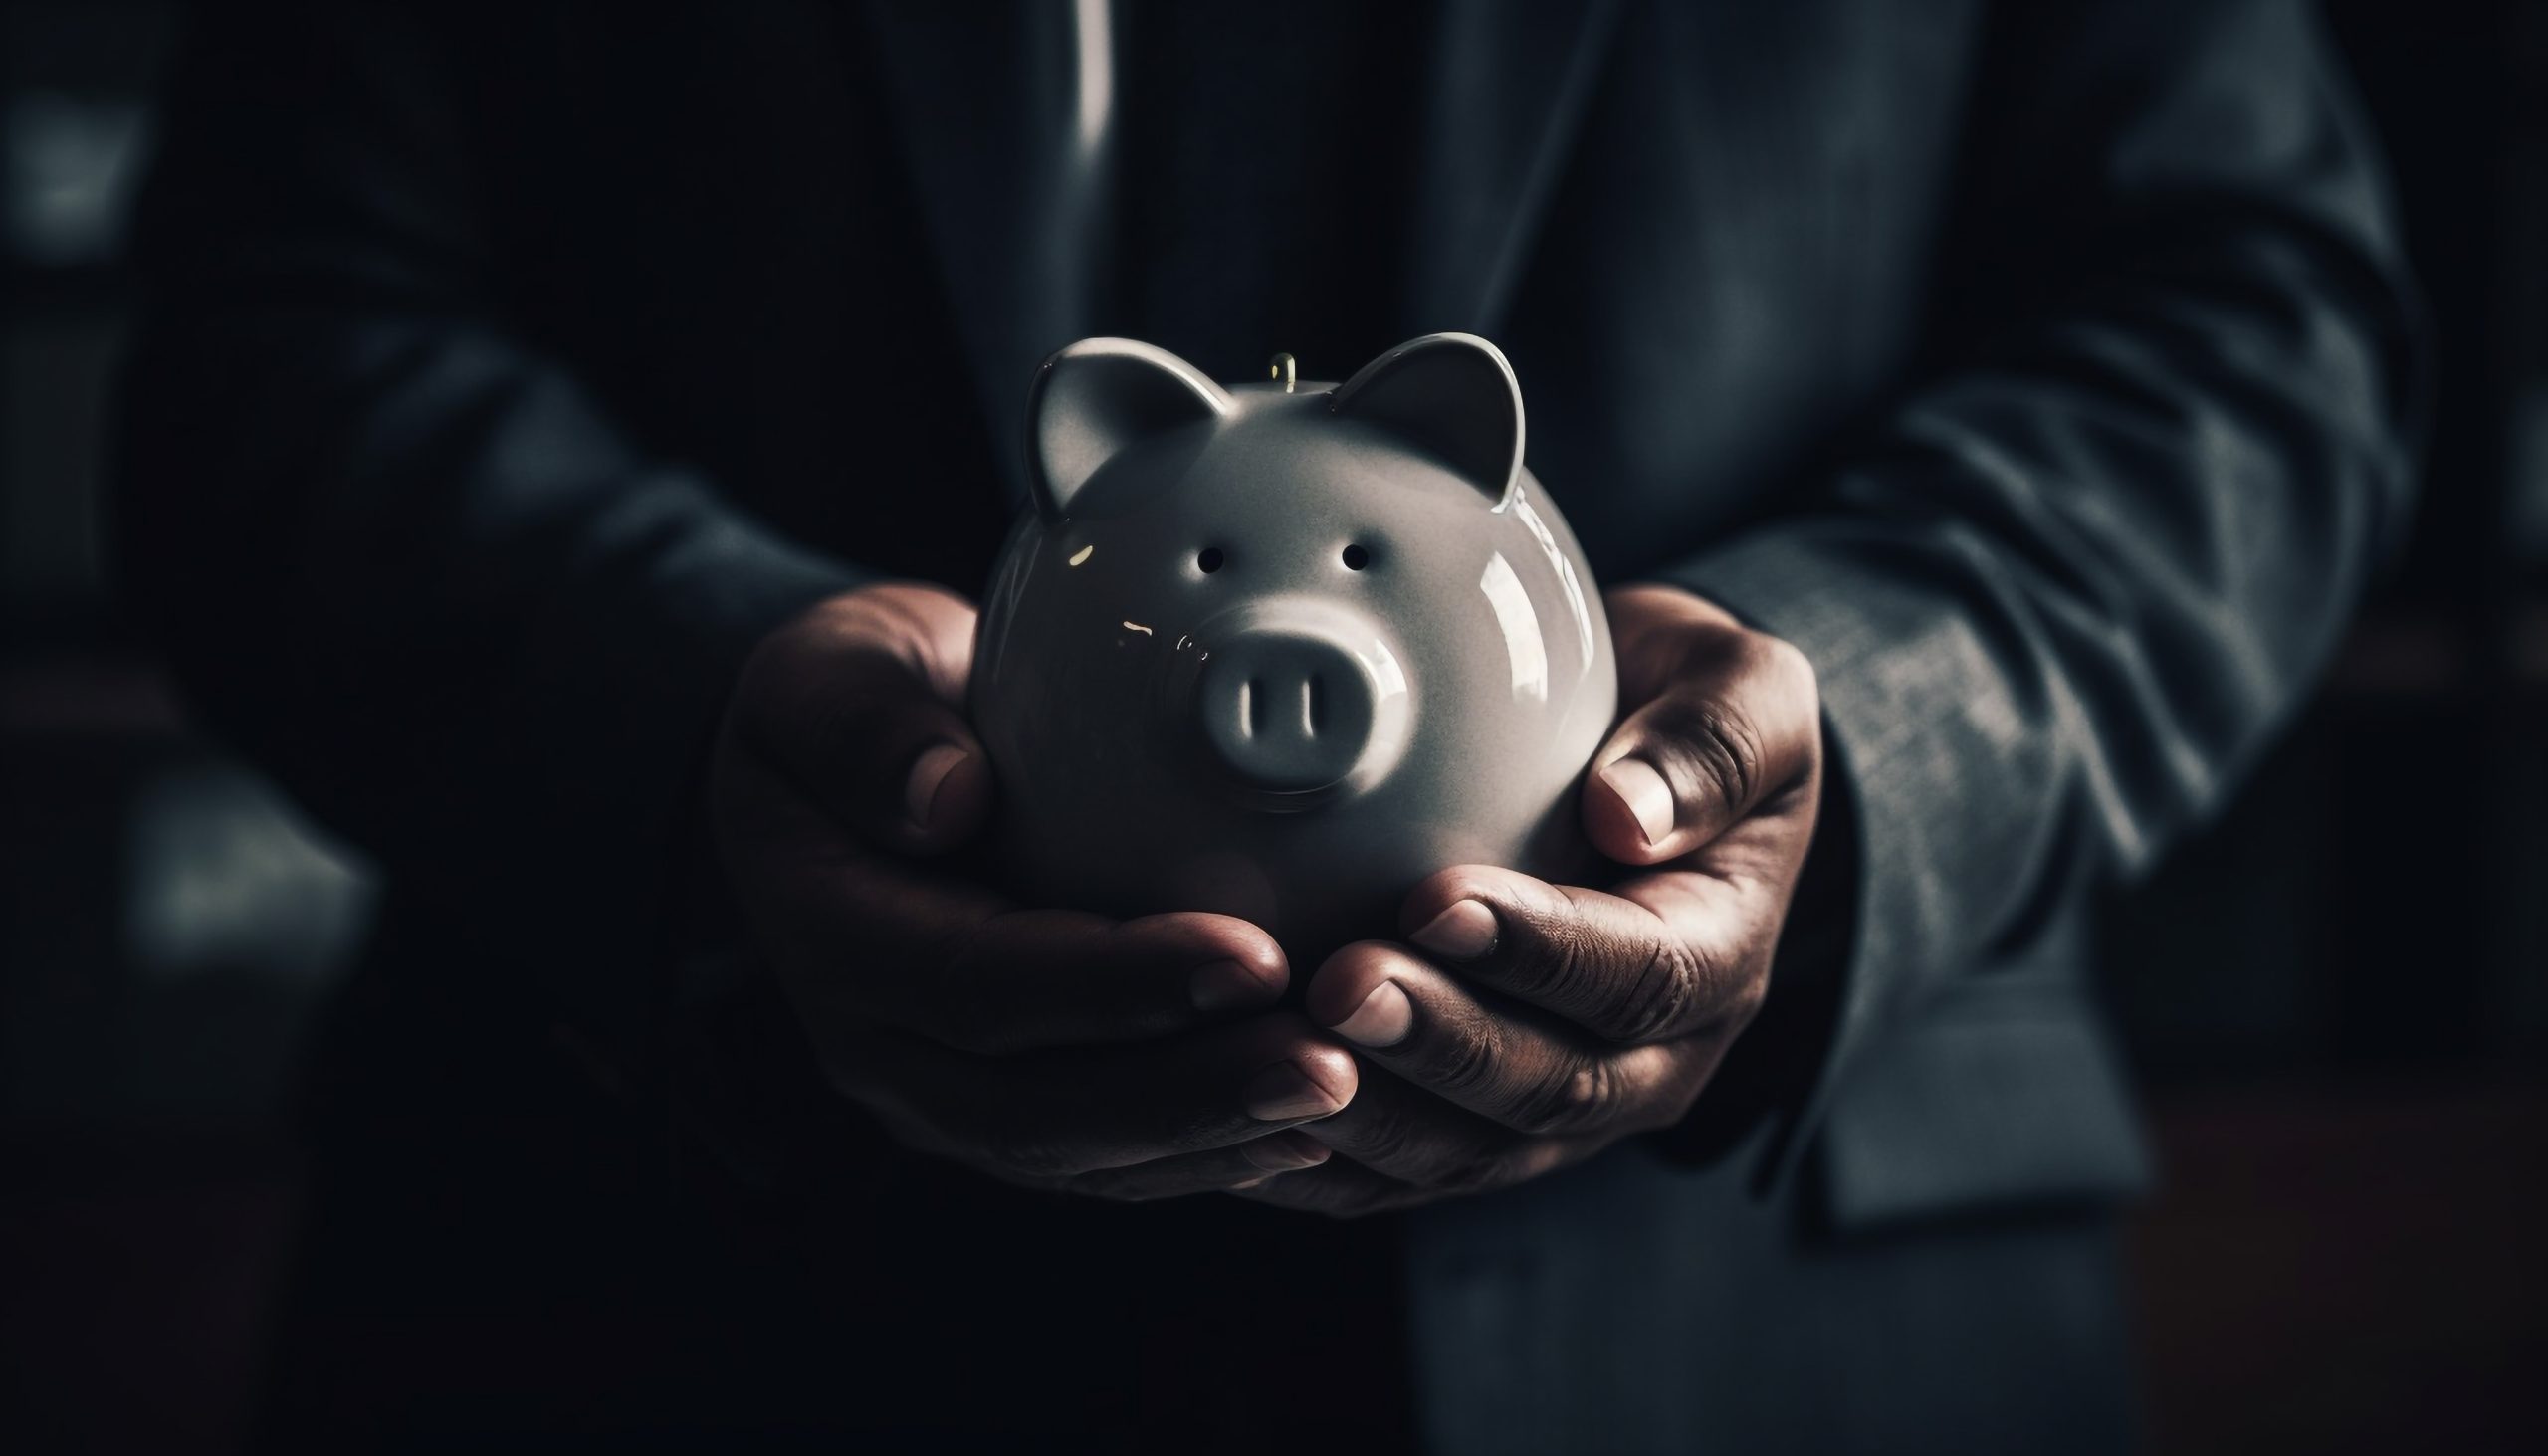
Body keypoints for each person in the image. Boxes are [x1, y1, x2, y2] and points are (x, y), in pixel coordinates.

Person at [115, 1, 2422, 1450]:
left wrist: (1838, 742)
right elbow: (269, 334)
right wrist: (698, 710)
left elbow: (2248, 319)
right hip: (671, 1273)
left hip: (1765, 1319)